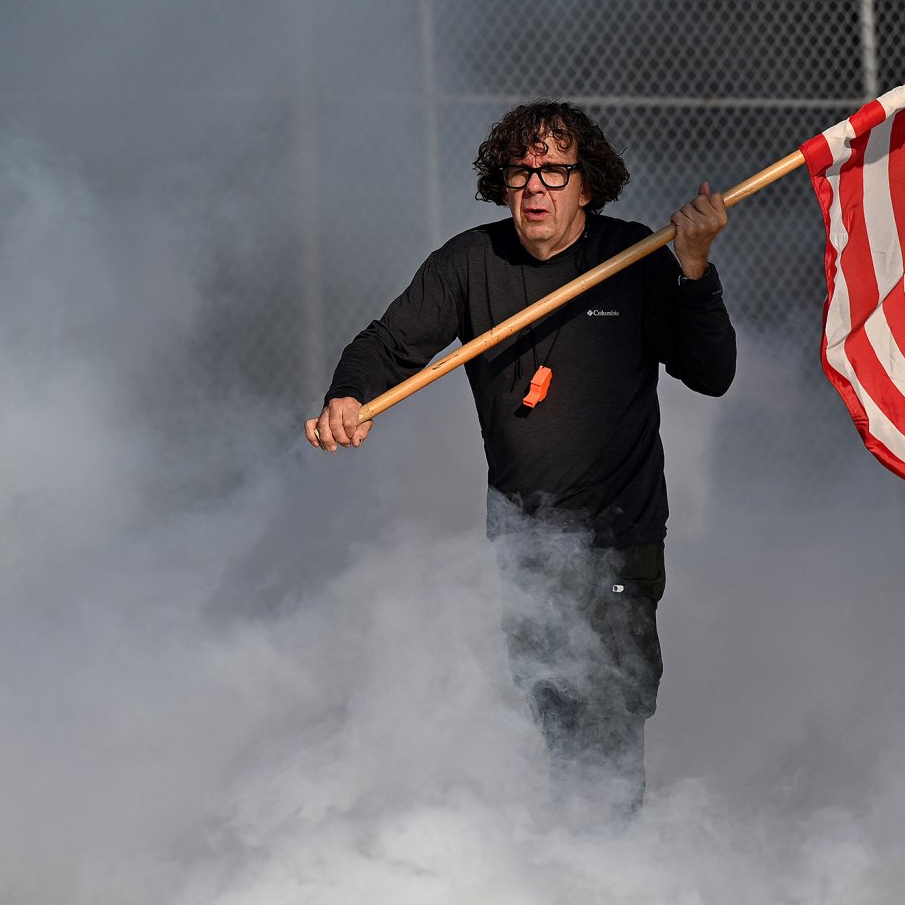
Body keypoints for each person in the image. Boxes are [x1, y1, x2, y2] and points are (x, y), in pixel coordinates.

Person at [304, 100, 736, 818]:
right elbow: (385, 345)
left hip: (621, 535)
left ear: (587, 184)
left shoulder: (631, 258)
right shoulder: (471, 264)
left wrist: (694, 269)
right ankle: (573, 860)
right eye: (521, 172)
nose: (535, 188)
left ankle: (609, 867)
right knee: (556, 715)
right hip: (525, 539)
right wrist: (349, 395)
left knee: (610, 718)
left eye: (554, 172)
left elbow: (711, 370)